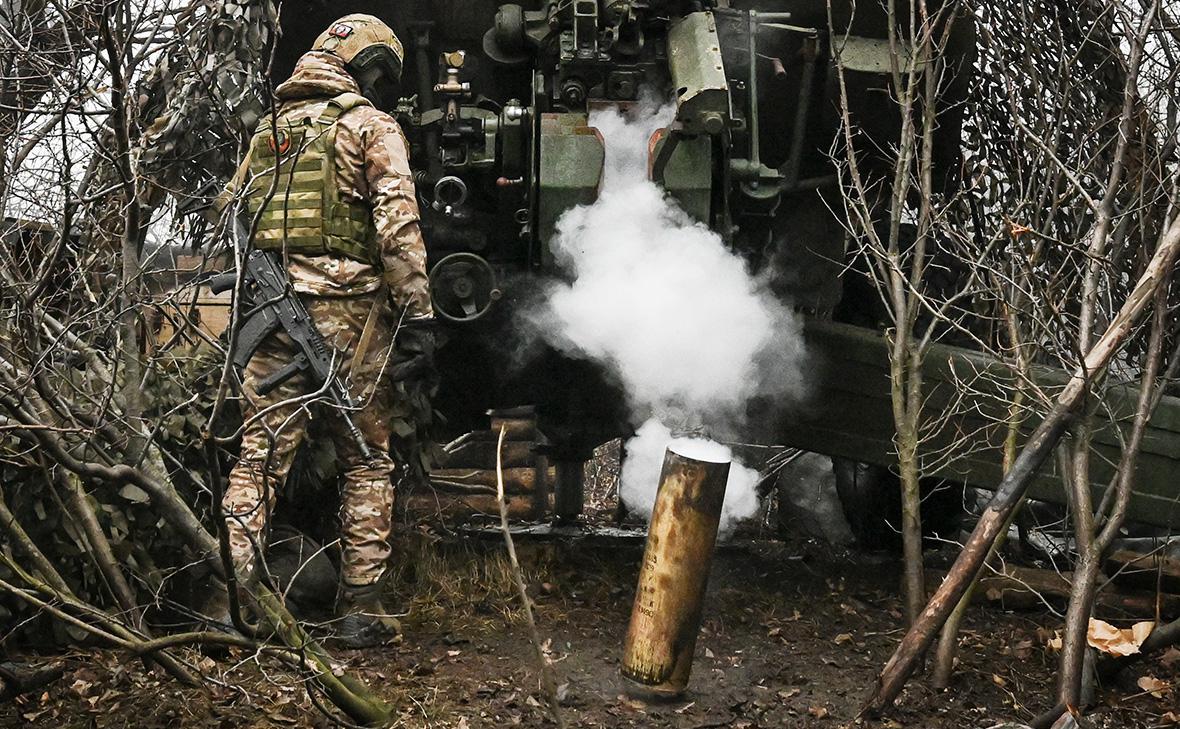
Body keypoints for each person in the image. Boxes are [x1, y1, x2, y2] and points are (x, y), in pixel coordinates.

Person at [210, 14, 434, 648]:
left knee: (257, 460)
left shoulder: (269, 133)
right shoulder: (370, 127)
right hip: (351, 321)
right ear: (371, 70)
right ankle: (361, 608)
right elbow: (397, 227)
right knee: (365, 458)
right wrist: (418, 316)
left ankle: (231, 600)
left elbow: (232, 219)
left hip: (271, 319)